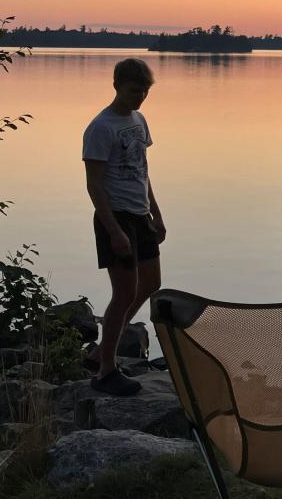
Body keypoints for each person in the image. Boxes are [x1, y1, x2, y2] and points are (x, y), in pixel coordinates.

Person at [83, 57, 166, 396]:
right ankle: (105, 370)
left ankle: (102, 349)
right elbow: (94, 185)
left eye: (145, 92)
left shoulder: (139, 120)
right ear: (116, 84)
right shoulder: (100, 128)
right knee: (124, 293)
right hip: (114, 217)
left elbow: (141, 171)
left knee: (150, 284)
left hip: (140, 214)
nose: (140, 97)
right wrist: (114, 231)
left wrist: (156, 214)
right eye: (135, 91)